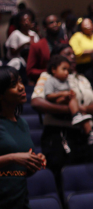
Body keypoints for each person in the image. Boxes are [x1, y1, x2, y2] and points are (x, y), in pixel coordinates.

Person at [30, 44, 93, 179]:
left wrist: (79, 109)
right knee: (63, 176)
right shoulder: (48, 76)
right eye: (67, 54)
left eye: (73, 54)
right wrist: (70, 111)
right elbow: (36, 102)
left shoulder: (82, 78)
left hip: (83, 134)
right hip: (59, 134)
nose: (72, 57)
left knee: (84, 177)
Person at [0, 66, 46, 209]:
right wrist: (12, 158)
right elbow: (14, 159)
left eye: (20, 82)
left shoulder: (22, 123)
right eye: (14, 85)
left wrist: (34, 162)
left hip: (19, 201)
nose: (21, 87)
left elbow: (19, 172)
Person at [44, 55, 93, 145]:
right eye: (64, 69)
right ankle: (76, 114)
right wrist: (63, 94)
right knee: (74, 102)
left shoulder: (66, 81)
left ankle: (90, 134)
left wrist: (71, 94)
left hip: (67, 101)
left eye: (68, 70)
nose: (66, 73)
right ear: (53, 69)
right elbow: (48, 96)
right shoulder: (50, 80)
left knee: (83, 116)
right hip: (57, 102)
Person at [26, 15, 67, 83]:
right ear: (45, 27)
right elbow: (30, 71)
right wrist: (49, 71)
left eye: (57, 22)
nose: (55, 24)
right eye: (51, 23)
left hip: (65, 80)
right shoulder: (37, 46)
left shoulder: (64, 43)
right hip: (46, 81)